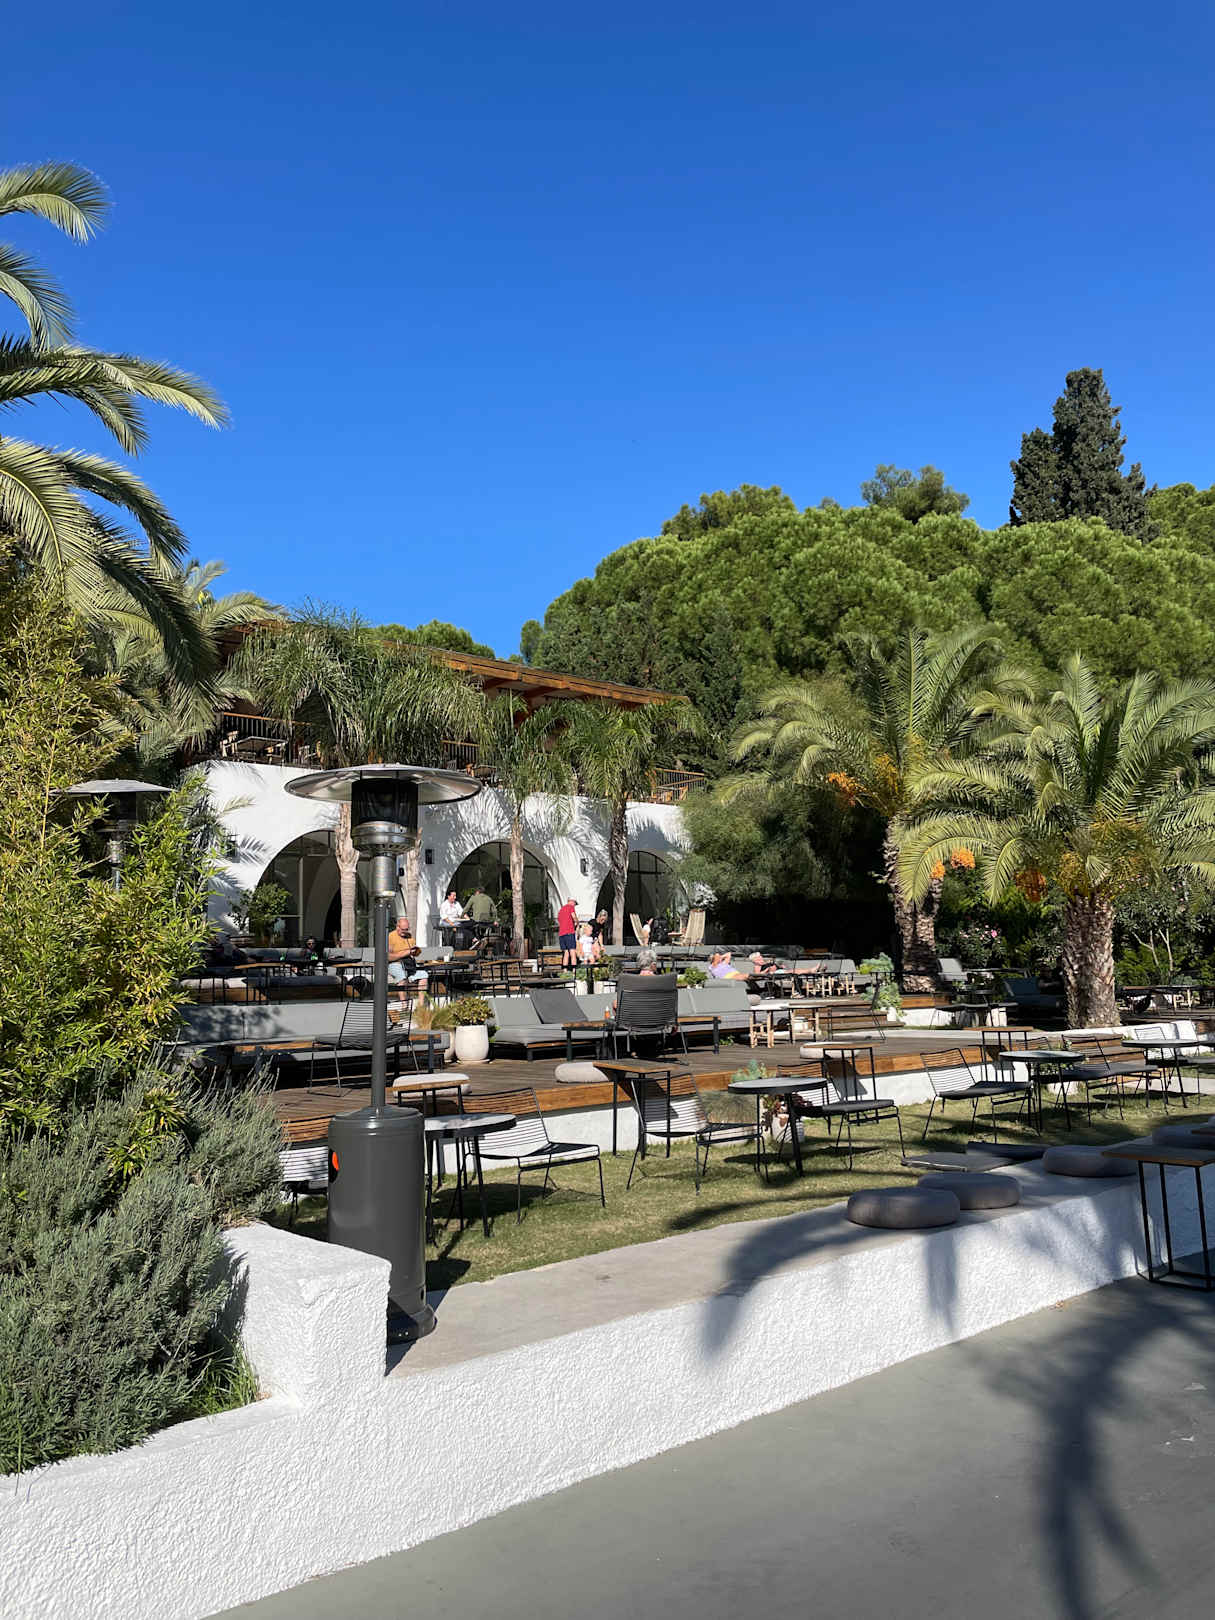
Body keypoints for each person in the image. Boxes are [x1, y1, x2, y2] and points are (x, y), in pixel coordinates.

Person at [387, 915, 427, 1003]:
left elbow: (414, 953)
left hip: (408, 964)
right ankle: (404, 1004)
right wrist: (407, 952)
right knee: (402, 977)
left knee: (424, 975)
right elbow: (389, 957)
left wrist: (415, 951)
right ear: (397, 927)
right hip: (395, 963)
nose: (405, 932)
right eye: (403, 929)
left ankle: (421, 1006)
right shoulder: (390, 936)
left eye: (407, 929)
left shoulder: (409, 936)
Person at [556, 895, 579, 970]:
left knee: (566, 954)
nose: (574, 905)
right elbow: (574, 917)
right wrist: (577, 923)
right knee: (573, 953)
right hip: (569, 932)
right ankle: (574, 971)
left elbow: (559, 921)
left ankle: (565, 971)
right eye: (575, 903)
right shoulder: (570, 907)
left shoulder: (561, 910)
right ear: (572, 901)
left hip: (561, 934)